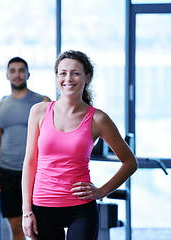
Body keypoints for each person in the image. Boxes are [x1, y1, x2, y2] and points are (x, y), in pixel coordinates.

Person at [21, 50, 138, 240]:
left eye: (75, 73)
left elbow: (130, 162)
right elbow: (29, 163)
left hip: (81, 209)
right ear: (57, 76)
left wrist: (102, 191)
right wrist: (27, 211)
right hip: (43, 205)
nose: (69, 78)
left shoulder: (98, 119)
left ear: (87, 77)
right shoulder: (39, 111)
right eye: (63, 73)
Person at [0, 57, 51, 240]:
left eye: (21, 70)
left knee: (39, 228)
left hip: (35, 174)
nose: (17, 74)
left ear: (28, 74)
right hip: (7, 174)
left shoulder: (43, 102)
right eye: (12, 71)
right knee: (16, 228)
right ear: (7, 75)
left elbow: (53, 139)